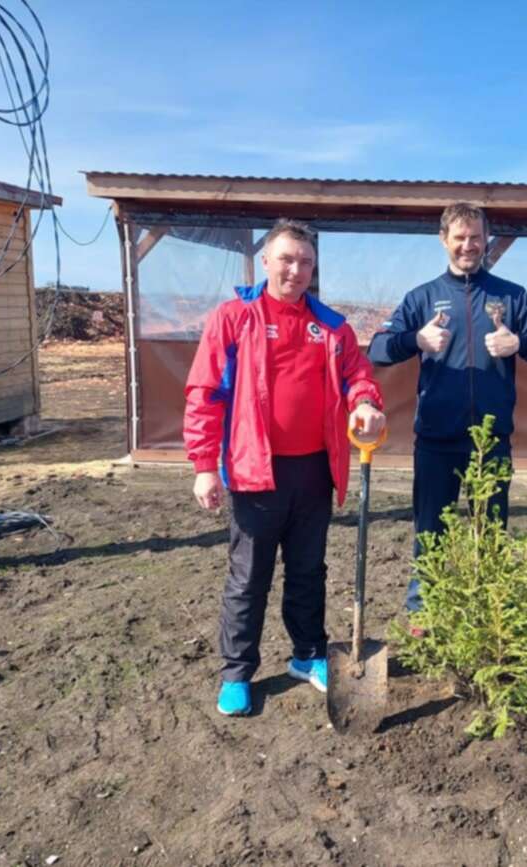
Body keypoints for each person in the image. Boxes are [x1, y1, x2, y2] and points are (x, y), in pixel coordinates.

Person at [184, 218, 386, 716]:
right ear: (267, 261)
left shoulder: (332, 327)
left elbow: (358, 374)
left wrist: (364, 402)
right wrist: (204, 466)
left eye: (306, 262)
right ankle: (236, 673)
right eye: (287, 259)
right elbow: (203, 394)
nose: (296, 270)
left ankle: (307, 654)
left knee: (307, 571)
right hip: (256, 472)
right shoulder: (234, 318)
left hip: (314, 471)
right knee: (248, 575)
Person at [368, 202, 527, 613]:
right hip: (437, 440)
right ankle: (423, 612)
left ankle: (485, 612)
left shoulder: (511, 297)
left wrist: (520, 343)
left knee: (489, 530)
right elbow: (379, 348)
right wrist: (415, 341)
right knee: (431, 531)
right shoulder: (423, 298)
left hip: (490, 442)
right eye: (459, 238)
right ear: (444, 241)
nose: (468, 246)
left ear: (486, 239)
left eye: (476, 237)